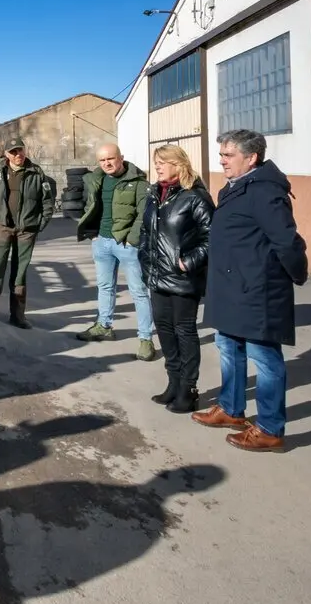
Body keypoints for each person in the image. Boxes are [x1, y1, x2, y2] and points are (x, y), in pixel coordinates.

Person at [193, 130, 308, 452]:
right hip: (232, 286)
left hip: (257, 288)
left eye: (228, 155)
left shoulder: (265, 191)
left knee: (265, 358)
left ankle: (270, 428)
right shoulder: (236, 187)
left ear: (251, 157)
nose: (222, 160)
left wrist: (296, 275)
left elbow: (286, 241)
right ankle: (231, 410)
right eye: (222, 154)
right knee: (228, 347)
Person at [137, 144, 215, 413]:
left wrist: (187, 262)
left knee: (184, 330)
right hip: (157, 276)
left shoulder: (195, 197)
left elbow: (212, 237)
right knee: (165, 329)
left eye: (163, 162)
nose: (157, 166)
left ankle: (188, 389)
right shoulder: (155, 195)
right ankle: (173, 382)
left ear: (179, 164)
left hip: (183, 279)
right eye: (156, 162)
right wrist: (144, 261)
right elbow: (146, 232)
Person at [76, 144, 157, 361]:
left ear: (121, 157)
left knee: (139, 291)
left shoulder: (139, 183)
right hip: (101, 242)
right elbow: (88, 206)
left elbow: (144, 214)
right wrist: (92, 233)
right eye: (102, 160)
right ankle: (104, 326)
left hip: (127, 245)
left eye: (111, 159)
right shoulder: (95, 179)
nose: (107, 164)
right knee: (105, 286)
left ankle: (146, 339)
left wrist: (131, 240)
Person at [0, 137, 55, 329]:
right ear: (6, 154)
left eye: (21, 150)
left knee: (19, 275)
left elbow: (47, 201)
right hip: (1, 228)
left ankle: (18, 316)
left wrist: (39, 224)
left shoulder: (36, 172)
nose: (18, 154)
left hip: (26, 231)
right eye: (13, 151)